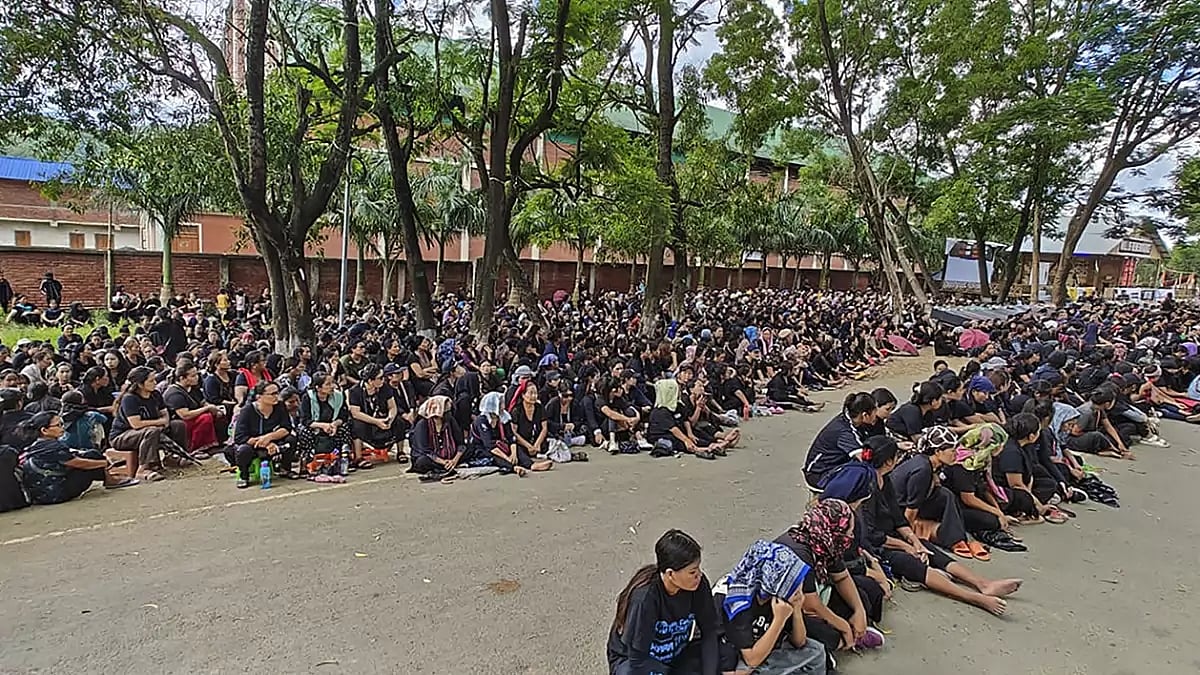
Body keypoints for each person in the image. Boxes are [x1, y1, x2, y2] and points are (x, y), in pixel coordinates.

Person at [820, 437, 1020, 616]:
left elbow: (898, 517)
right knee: (912, 563)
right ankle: (974, 598)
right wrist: (906, 547)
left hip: (888, 535)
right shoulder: (866, 486)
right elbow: (870, 535)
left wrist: (914, 541)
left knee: (928, 550)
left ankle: (982, 583)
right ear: (889, 461)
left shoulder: (884, 480)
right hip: (875, 545)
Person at [774, 500, 882, 671]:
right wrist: (843, 626)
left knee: (860, 597)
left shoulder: (824, 541)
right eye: (849, 531)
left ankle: (851, 635)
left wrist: (859, 611)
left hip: (810, 597)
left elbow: (842, 577)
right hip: (784, 608)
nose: (851, 537)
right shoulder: (800, 552)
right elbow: (810, 605)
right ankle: (836, 645)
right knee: (828, 633)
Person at [607, 530, 719, 675]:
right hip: (641, 663)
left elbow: (709, 632)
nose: (699, 575)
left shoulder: (698, 585)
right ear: (670, 574)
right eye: (692, 572)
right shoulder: (645, 599)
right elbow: (637, 660)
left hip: (676, 656)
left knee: (721, 655)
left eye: (698, 568)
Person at [712, 540, 828, 674]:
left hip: (766, 647)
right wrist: (779, 620)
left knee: (815, 650)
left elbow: (799, 642)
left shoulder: (778, 595)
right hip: (736, 656)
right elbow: (751, 660)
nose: (800, 588)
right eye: (794, 582)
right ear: (774, 582)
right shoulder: (738, 602)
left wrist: (796, 610)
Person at [18, 411, 137, 503]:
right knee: (91, 459)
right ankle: (110, 480)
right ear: (44, 430)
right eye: (58, 425)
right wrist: (105, 463)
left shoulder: (36, 445)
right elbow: (78, 463)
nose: (63, 427)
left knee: (90, 454)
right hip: (54, 493)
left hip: (41, 492)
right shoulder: (51, 447)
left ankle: (109, 479)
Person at [109, 366, 188, 483]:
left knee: (177, 425)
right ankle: (143, 469)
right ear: (140, 384)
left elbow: (164, 413)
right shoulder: (129, 399)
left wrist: (164, 422)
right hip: (123, 435)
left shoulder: (155, 394)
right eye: (151, 381)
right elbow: (136, 424)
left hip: (150, 428)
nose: (155, 383)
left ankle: (173, 457)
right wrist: (159, 422)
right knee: (152, 431)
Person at [802, 393, 876, 488]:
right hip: (819, 474)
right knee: (866, 474)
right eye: (875, 411)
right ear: (865, 415)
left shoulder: (851, 420)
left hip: (835, 464)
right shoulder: (844, 432)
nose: (876, 414)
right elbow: (863, 458)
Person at [232, 381, 296, 487]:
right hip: (254, 444)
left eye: (277, 393)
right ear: (259, 397)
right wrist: (265, 443)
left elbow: (286, 428)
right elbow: (240, 437)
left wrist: (269, 437)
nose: (276, 396)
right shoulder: (247, 411)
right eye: (272, 394)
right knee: (243, 450)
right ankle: (244, 476)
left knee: (291, 440)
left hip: (274, 442)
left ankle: (285, 468)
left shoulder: (280, 406)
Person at [163, 363, 223, 458]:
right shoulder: (174, 394)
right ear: (182, 378)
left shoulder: (194, 388)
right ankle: (196, 448)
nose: (197, 378)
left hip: (195, 417)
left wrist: (214, 409)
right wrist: (206, 409)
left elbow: (203, 402)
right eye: (193, 376)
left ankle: (218, 443)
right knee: (205, 417)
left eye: (197, 375)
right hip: (181, 422)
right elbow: (185, 415)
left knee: (218, 415)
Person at [297, 372, 352, 473]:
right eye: (328, 384)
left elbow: (343, 416)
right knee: (303, 430)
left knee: (345, 428)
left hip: (332, 425)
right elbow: (305, 420)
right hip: (315, 426)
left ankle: (343, 460)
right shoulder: (307, 397)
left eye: (332, 383)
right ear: (318, 388)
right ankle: (308, 462)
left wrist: (335, 424)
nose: (332, 386)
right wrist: (322, 425)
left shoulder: (339, 396)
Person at [408, 395, 467, 476]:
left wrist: (454, 460)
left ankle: (449, 466)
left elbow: (460, 444)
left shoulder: (451, 421)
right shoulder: (422, 424)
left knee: (471, 450)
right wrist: (443, 462)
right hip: (432, 458)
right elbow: (425, 451)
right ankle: (444, 467)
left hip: (451, 456)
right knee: (422, 461)